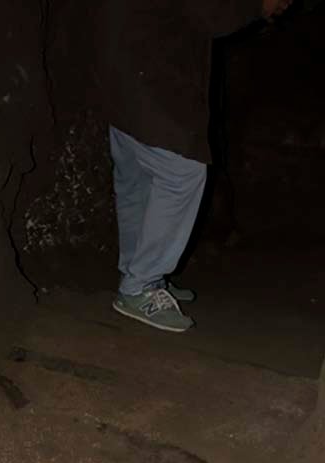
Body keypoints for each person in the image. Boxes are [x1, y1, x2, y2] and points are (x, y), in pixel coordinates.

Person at [96, 0, 293, 333]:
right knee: (181, 173)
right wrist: (261, 6)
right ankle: (140, 287)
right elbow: (212, 15)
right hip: (150, 81)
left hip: (123, 75)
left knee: (137, 179)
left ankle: (142, 274)